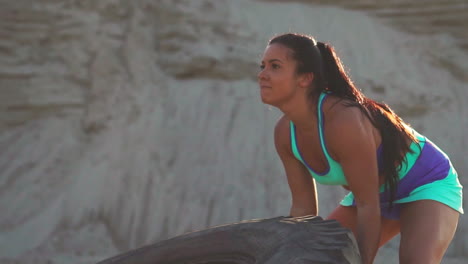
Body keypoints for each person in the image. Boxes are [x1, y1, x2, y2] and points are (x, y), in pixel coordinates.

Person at [257, 33, 463, 264]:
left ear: (305, 78)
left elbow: (368, 206)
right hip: (373, 194)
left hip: (426, 183)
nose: (262, 75)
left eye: (275, 66)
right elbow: (304, 209)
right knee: (325, 256)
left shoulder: (343, 121)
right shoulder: (284, 134)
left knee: (415, 260)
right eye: (263, 65)